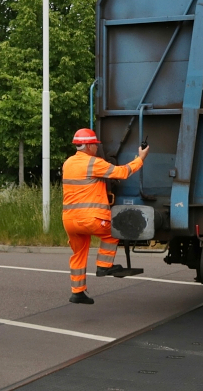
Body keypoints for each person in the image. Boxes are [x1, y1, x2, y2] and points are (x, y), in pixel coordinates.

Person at [61, 128, 149, 304]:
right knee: (114, 231)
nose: (96, 147)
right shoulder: (94, 163)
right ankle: (104, 265)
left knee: (79, 253)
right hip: (90, 218)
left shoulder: (68, 163)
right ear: (89, 146)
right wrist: (140, 158)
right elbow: (122, 172)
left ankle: (77, 292)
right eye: (95, 145)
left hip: (69, 220)